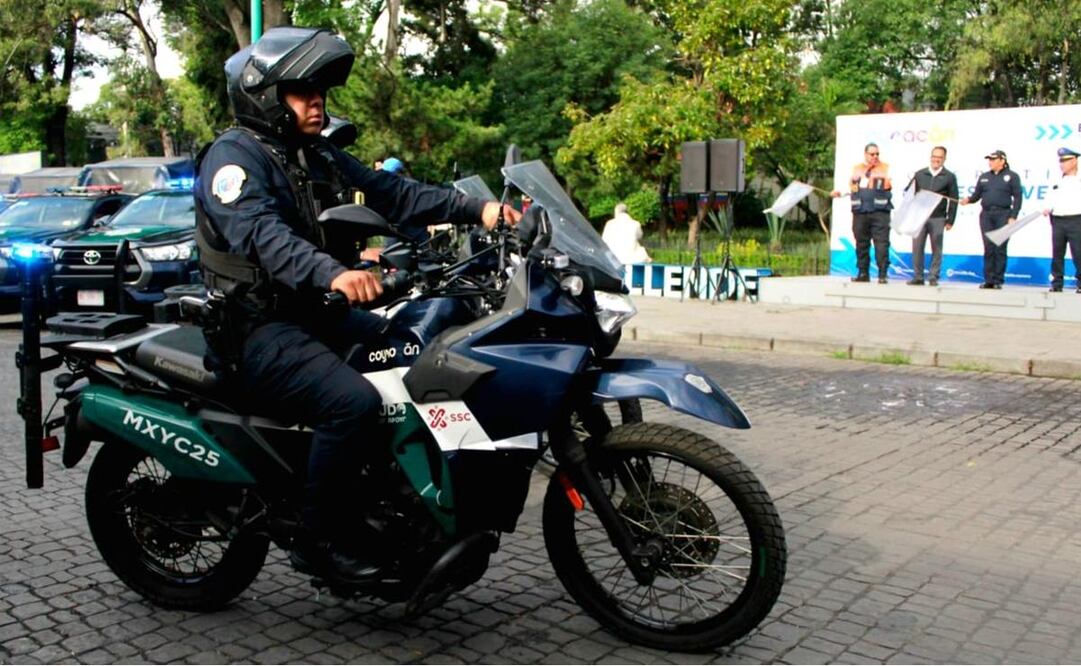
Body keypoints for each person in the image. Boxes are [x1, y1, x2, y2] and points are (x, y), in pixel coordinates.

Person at [193, 27, 519, 583]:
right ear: (266, 97)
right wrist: (335, 273)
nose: (317, 102)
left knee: (412, 351)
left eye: (320, 91)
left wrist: (480, 211)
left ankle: (392, 499)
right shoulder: (234, 161)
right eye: (303, 92)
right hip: (257, 328)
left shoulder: (308, 153)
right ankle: (320, 540)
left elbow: (394, 193)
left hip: (310, 315)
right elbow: (263, 236)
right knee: (353, 404)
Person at [961, 149, 1022, 289]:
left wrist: (1013, 216)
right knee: (988, 247)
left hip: (1003, 214)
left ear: (1002, 161)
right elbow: (976, 196)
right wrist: (968, 200)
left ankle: (998, 280)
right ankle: (989, 279)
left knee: (1000, 247)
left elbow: (1018, 197)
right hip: (986, 215)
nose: (990, 162)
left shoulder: (1012, 176)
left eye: (993, 159)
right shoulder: (984, 177)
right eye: (989, 159)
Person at [832, 143, 892, 283]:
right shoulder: (857, 169)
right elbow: (851, 187)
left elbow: (896, 185)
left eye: (877, 154)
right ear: (865, 154)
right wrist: (839, 193)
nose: (875, 157)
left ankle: (882, 274)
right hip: (860, 212)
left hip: (880, 212)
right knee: (861, 243)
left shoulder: (886, 168)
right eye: (872, 154)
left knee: (881, 244)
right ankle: (863, 273)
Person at [906, 146, 959, 286]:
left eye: (939, 157)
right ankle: (918, 276)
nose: (936, 159)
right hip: (919, 218)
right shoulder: (920, 174)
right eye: (934, 156)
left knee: (937, 247)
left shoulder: (949, 177)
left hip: (938, 217)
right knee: (917, 247)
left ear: (944, 159)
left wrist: (950, 220)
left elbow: (954, 200)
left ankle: (933, 276)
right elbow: (909, 193)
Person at [1042, 147, 1081, 293]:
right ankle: (1057, 283)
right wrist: (1046, 208)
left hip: (1077, 220)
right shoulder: (1056, 180)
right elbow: (1049, 198)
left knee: (1078, 253)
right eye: (1060, 161)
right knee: (1057, 253)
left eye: (1065, 161)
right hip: (1058, 220)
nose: (1062, 164)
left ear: (1074, 161)